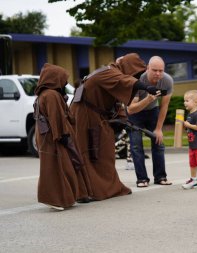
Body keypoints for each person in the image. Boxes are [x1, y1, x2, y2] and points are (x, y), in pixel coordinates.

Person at [70, 53, 158, 200]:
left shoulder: (113, 74)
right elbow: (126, 82)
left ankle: (110, 187)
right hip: (84, 114)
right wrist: (148, 88)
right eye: (136, 73)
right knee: (88, 151)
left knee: (106, 151)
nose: (136, 77)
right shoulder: (108, 72)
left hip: (97, 115)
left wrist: (123, 121)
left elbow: (116, 101)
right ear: (129, 68)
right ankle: (85, 191)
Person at [34, 63, 90, 210]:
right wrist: (63, 136)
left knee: (63, 166)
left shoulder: (47, 94)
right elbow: (56, 117)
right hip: (54, 137)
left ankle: (68, 196)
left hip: (49, 136)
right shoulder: (51, 95)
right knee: (58, 167)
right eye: (63, 79)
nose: (65, 83)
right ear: (55, 79)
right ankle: (56, 199)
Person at [127, 56, 173, 187]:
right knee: (136, 147)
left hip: (153, 112)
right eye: (154, 70)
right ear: (147, 68)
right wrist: (147, 99)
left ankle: (160, 177)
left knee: (158, 143)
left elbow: (164, 106)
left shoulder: (167, 81)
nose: (158, 74)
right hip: (135, 114)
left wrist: (158, 129)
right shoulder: (137, 80)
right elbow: (131, 109)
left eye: (161, 70)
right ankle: (142, 179)